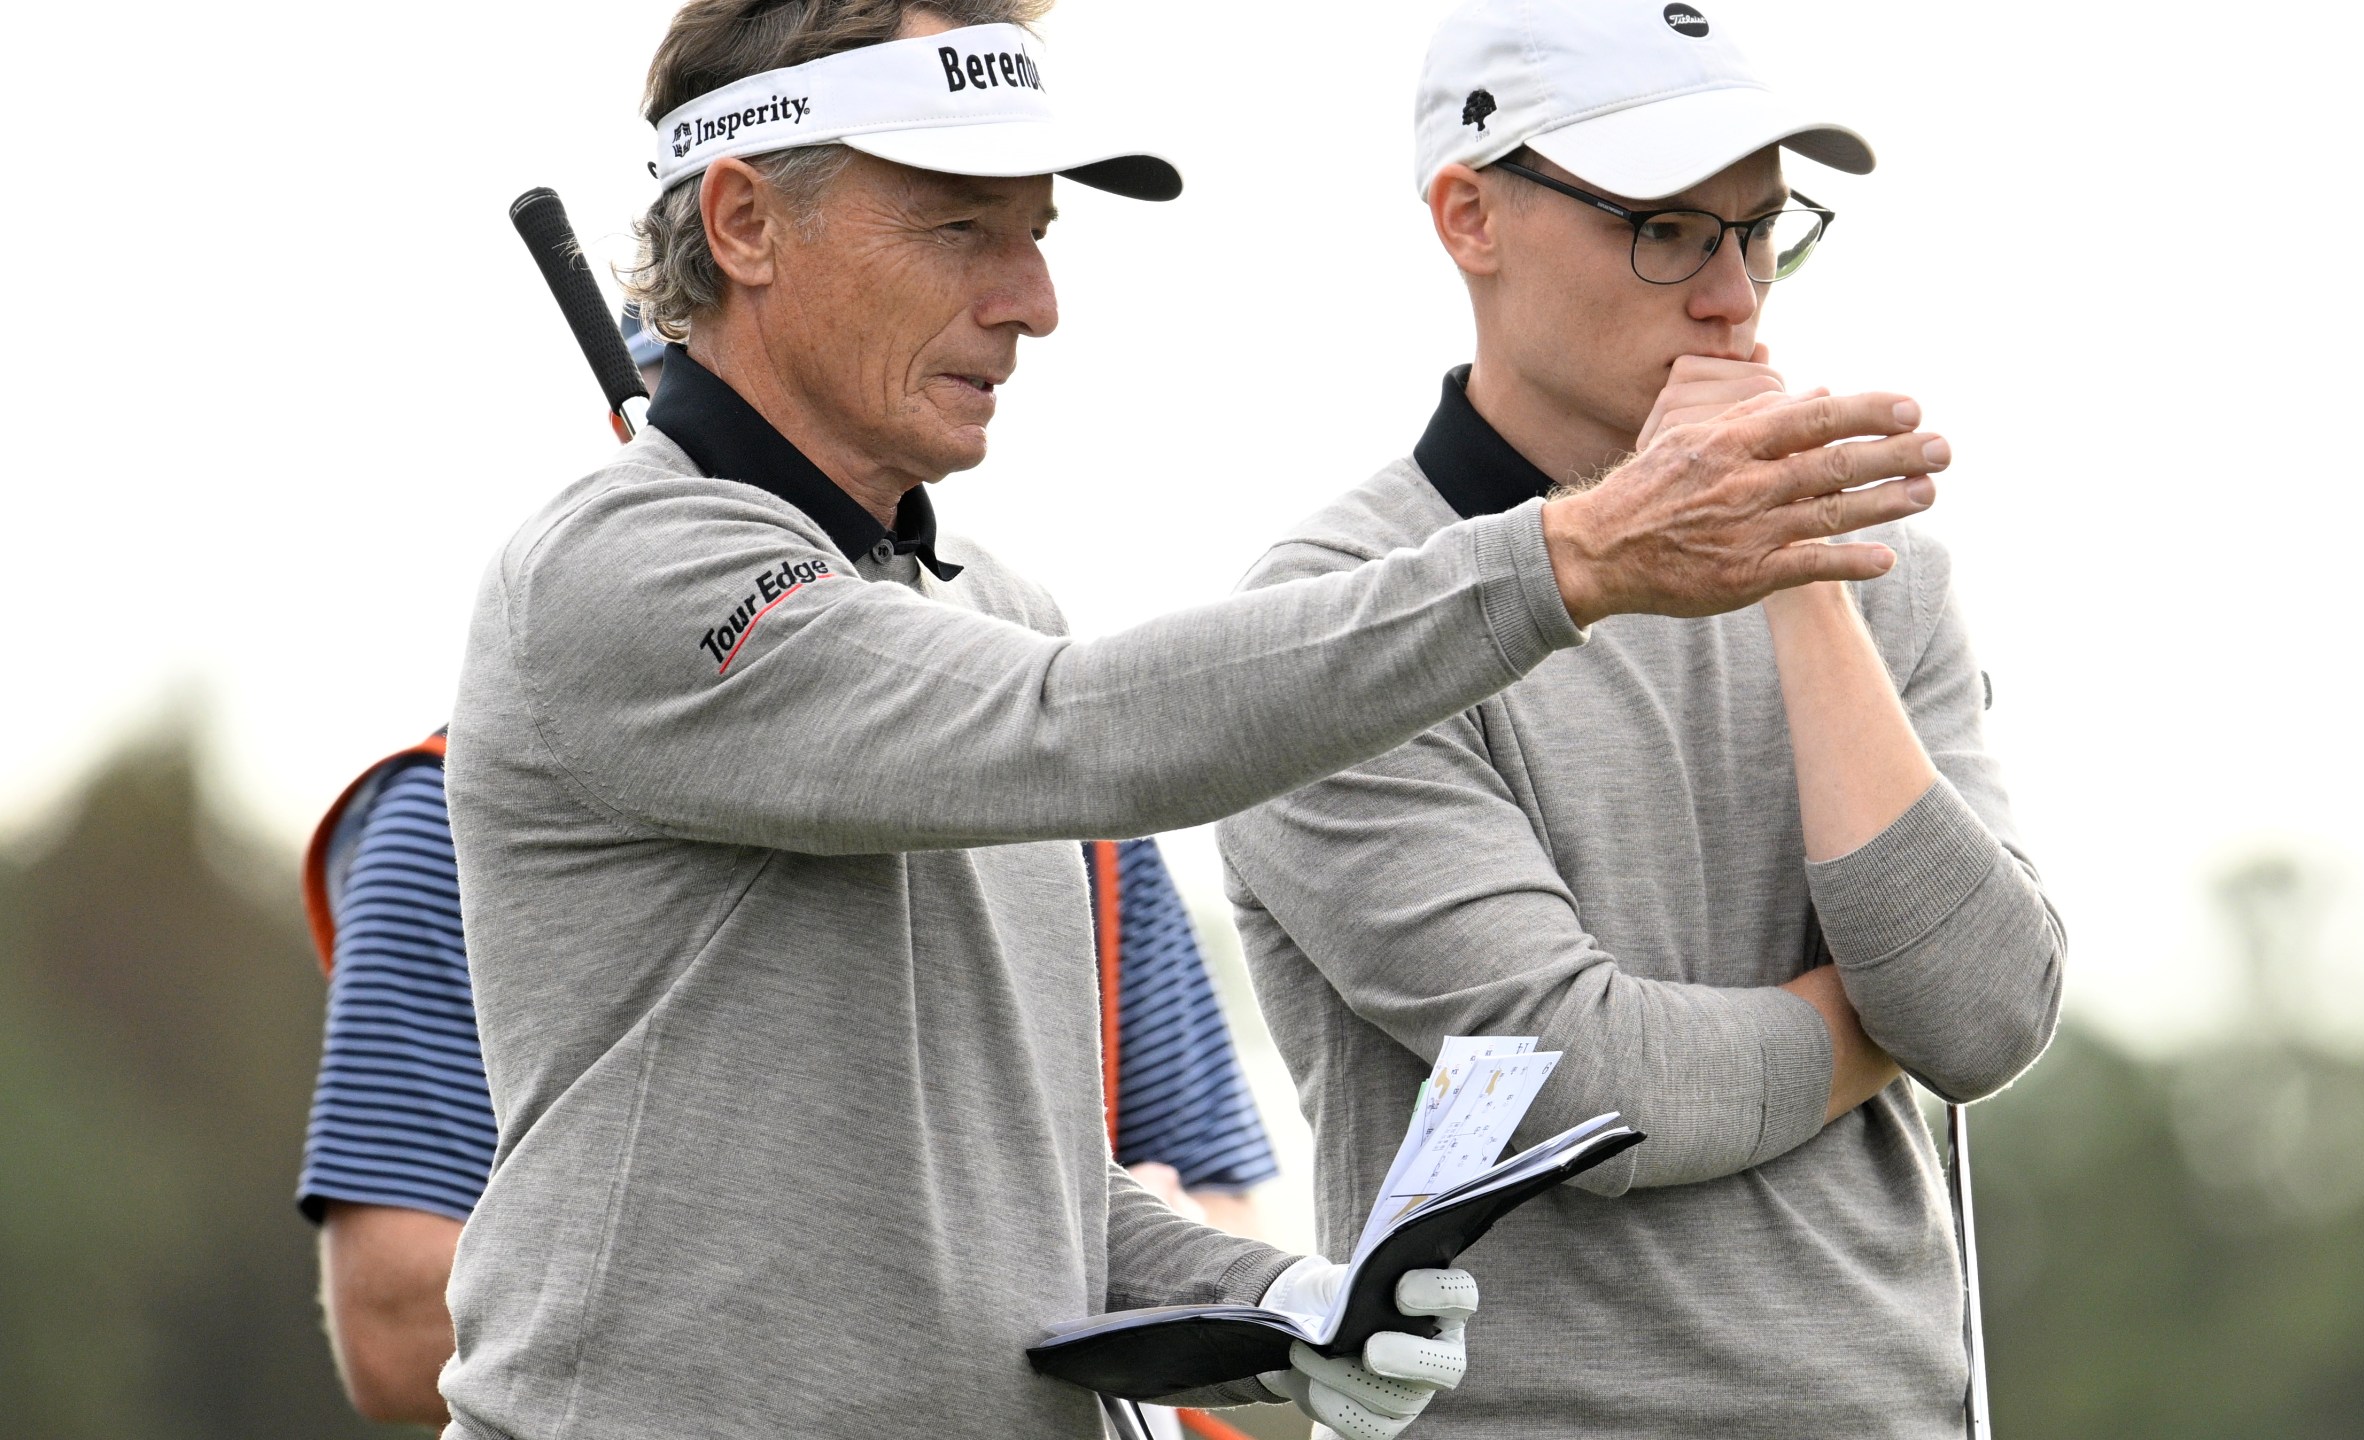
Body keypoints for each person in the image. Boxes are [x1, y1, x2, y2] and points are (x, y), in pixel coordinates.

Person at [440, 1, 1949, 1435]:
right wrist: (1576, 555)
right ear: (745, 223)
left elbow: (1031, 1202)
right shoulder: (624, 571)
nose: (1031, 302)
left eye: (1034, 235)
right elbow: (1074, 726)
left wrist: (1291, 1303)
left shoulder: (993, 611)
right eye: (961, 226)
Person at [1216, 3, 2068, 1437]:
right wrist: (1867, 1026)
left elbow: (1982, 1016)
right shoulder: (1333, 622)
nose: (1735, 297)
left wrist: (1794, 571)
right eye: (1667, 228)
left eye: (1762, 228)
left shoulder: (1882, 578)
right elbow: (1589, 1090)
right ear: (1469, 216)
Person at [293, 343, 1274, 1432]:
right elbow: (389, 1321)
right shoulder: (451, 807)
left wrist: (1155, 1268)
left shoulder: (1061, 768)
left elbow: (1205, 1190)